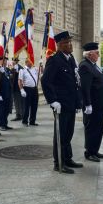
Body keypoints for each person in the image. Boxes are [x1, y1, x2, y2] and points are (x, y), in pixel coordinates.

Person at [41, 30, 83, 174]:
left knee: (69, 133)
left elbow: (75, 82)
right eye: (66, 42)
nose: (70, 45)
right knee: (60, 134)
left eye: (70, 42)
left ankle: (68, 158)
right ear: (59, 45)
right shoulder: (54, 60)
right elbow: (46, 81)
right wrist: (53, 101)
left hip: (70, 103)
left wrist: (78, 102)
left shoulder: (70, 59)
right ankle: (58, 162)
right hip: (60, 104)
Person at [79, 42, 103, 162]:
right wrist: (87, 104)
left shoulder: (94, 65)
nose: (99, 55)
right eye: (97, 53)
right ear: (90, 54)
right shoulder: (85, 66)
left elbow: (101, 78)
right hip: (93, 104)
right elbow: (85, 87)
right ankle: (89, 152)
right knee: (92, 129)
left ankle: (95, 150)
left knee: (99, 128)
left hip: (100, 103)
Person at [19, 57, 39, 126]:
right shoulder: (22, 70)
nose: (31, 63)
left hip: (34, 89)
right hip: (27, 89)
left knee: (34, 106)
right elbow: (20, 81)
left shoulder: (35, 69)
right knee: (26, 106)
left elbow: (41, 73)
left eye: (31, 62)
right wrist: (21, 90)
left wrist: (41, 65)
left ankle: (32, 121)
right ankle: (24, 121)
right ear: (26, 62)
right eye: (29, 62)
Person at [0, 56, 13, 131]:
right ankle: (1, 125)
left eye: (6, 61)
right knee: (1, 110)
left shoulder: (7, 70)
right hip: (2, 94)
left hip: (8, 93)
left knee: (7, 109)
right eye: (3, 61)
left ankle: (5, 124)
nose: (5, 62)